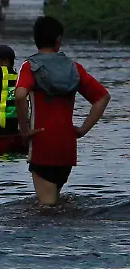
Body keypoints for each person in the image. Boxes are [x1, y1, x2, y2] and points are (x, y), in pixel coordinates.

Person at [15, 16, 110, 206]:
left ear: (35, 39)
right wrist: (82, 129)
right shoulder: (74, 67)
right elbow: (102, 98)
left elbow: (19, 95)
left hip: (42, 142)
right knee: (55, 202)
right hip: (67, 146)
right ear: (58, 39)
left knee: (47, 210)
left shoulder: (30, 66)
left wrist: (24, 129)